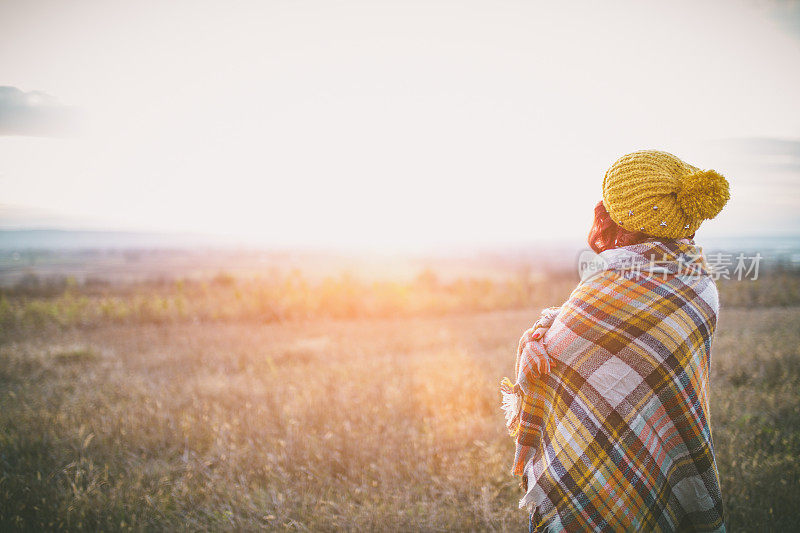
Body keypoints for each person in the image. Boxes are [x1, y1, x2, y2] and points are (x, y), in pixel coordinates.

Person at [501, 150, 730, 532]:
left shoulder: (602, 290)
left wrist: (539, 335)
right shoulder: (699, 285)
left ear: (617, 216)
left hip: (592, 475)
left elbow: (555, 357)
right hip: (668, 454)